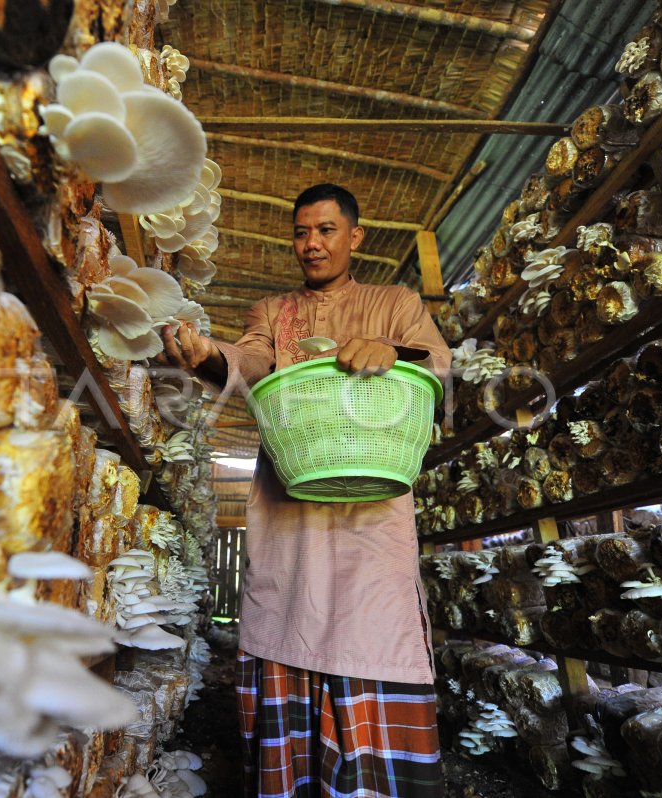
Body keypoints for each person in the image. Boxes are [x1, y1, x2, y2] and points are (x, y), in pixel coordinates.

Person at [160, 183, 451, 797]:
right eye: (301, 232)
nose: (311, 244)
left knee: (372, 629)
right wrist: (208, 354)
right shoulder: (274, 311)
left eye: (325, 230)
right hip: (289, 506)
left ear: (355, 236)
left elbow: (438, 367)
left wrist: (392, 353)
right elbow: (253, 360)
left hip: (372, 516)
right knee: (289, 619)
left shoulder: (395, 302)